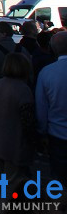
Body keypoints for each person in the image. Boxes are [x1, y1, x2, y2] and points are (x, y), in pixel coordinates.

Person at [0, 53, 37, 195]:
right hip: (14, 142)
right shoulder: (23, 90)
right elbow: (28, 120)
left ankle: (0, 207)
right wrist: (35, 141)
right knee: (13, 183)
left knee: (0, 181)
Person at [36, 31, 67, 201]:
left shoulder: (47, 72)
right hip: (56, 133)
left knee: (59, 181)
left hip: (57, 134)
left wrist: (42, 132)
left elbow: (41, 108)